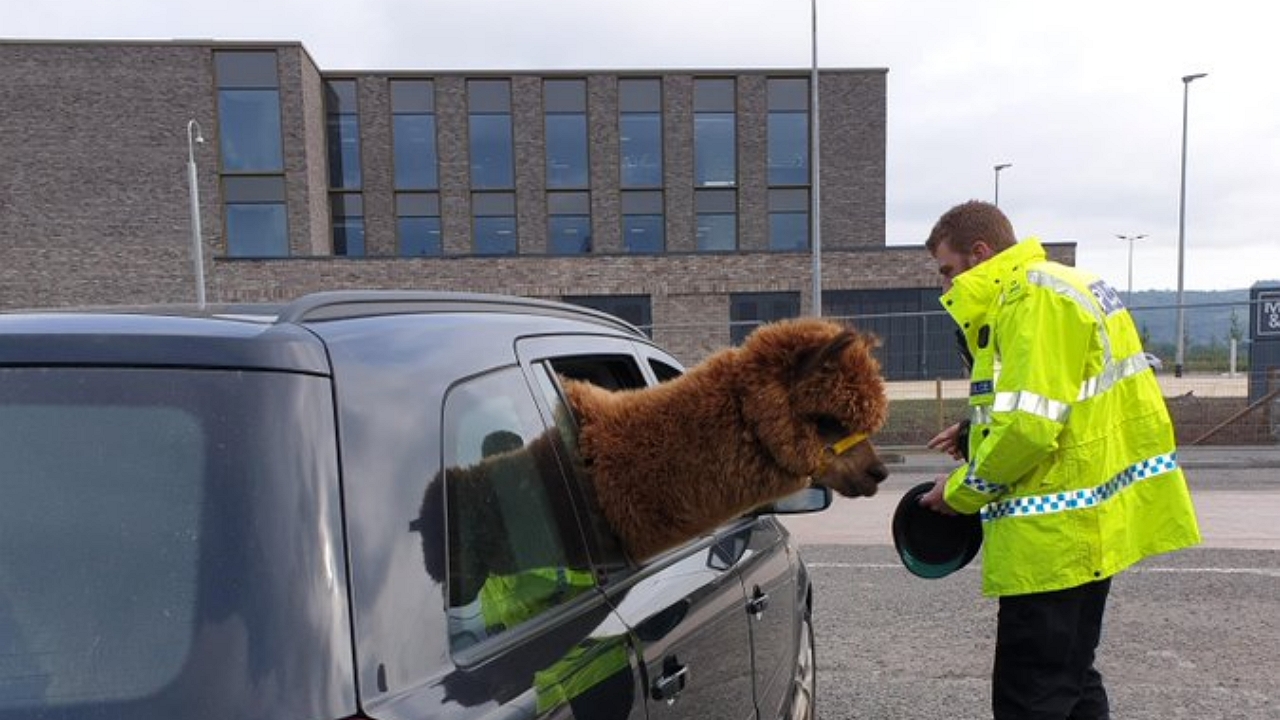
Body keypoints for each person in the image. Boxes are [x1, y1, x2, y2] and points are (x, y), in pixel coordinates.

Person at [919, 200, 1201, 720]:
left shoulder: (1030, 301)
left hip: (1052, 543)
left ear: (980, 253)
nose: (946, 288)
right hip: (1085, 530)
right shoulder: (1064, 286)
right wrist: (975, 430)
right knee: (1071, 682)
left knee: (1031, 699)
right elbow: (1055, 405)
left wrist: (959, 495)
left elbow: (1028, 429)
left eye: (949, 271)